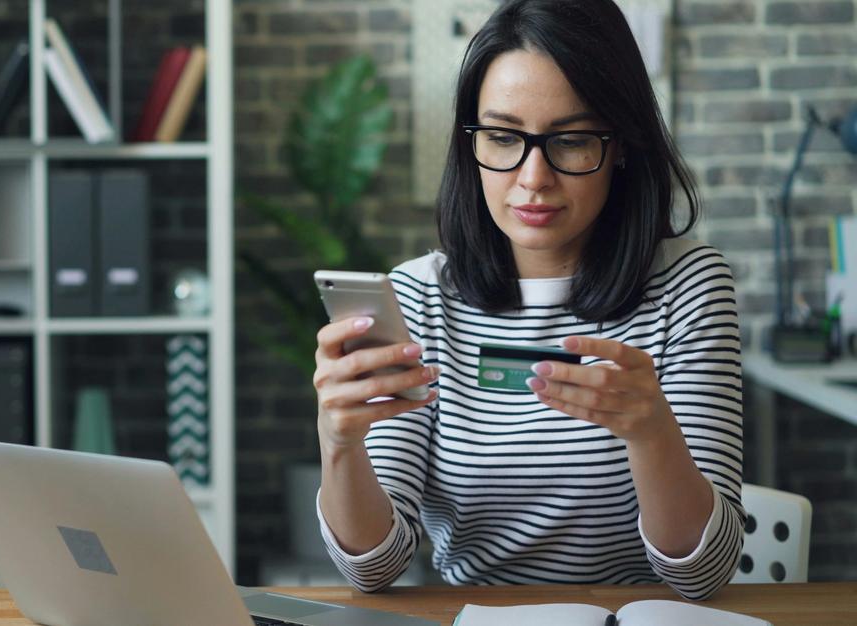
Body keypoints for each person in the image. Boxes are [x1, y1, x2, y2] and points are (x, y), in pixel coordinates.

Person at [312, 0, 742, 601]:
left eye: (570, 141)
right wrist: (339, 442)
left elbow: (704, 573)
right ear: (472, 144)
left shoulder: (689, 285)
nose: (534, 177)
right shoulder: (417, 298)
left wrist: (652, 435)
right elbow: (372, 570)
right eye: (503, 137)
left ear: (621, 145)